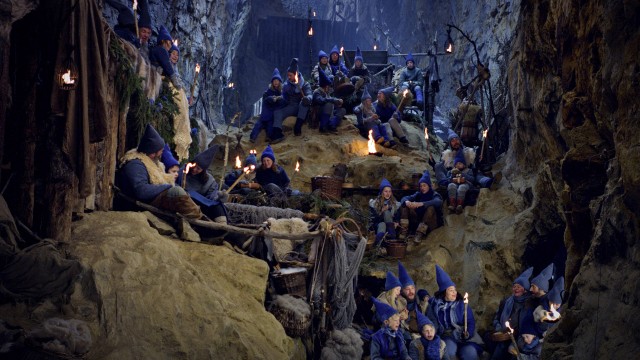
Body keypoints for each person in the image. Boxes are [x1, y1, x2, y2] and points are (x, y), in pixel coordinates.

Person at [116, 124, 202, 219]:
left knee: (182, 192)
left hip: (154, 198)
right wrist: (167, 186)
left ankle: (198, 216)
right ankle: (198, 221)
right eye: (160, 151)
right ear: (153, 154)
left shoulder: (153, 162)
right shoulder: (135, 165)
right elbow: (141, 191)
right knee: (176, 191)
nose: (162, 153)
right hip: (143, 203)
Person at [427, 265, 483, 360]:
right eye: (451, 290)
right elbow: (432, 323)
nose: (454, 293)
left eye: (455, 290)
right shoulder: (434, 305)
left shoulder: (461, 304)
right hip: (446, 336)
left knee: (470, 353)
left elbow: (470, 321)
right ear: (444, 292)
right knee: (449, 350)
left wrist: (468, 333)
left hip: (463, 336)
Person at [489, 267, 533, 360]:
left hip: (521, 338)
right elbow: (497, 317)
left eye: (519, 287)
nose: (515, 289)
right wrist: (499, 328)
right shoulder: (506, 301)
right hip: (504, 335)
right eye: (514, 286)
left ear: (525, 290)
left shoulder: (529, 304)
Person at [181, 145, 228, 223]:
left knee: (218, 207)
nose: (194, 169)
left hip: (200, 208)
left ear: (203, 170)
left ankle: (222, 227)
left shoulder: (210, 181)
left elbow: (211, 200)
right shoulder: (183, 171)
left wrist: (220, 198)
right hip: (184, 205)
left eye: (198, 169)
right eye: (194, 166)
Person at [272, 58, 312, 142]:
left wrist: (307, 98)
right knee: (278, 112)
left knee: (303, 103)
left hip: (302, 108)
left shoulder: (305, 84)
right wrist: (280, 98)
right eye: (288, 75)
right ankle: (277, 133)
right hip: (292, 106)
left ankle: (298, 126)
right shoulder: (287, 86)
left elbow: (310, 95)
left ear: (295, 74)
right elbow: (285, 97)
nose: (288, 77)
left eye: (290, 75)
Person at [399, 171, 443, 243]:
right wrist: (407, 202)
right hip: (418, 221)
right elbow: (404, 198)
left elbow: (438, 202)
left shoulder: (434, 194)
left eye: (424, 185)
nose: (422, 188)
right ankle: (403, 230)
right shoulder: (418, 194)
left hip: (430, 223)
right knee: (405, 205)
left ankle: (419, 234)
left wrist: (422, 203)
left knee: (430, 208)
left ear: (429, 186)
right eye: (421, 186)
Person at [250, 68, 286, 143]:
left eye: (277, 80)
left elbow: (282, 102)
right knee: (258, 125)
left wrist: (279, 99)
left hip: (272, 115)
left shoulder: (281, 92)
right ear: (272, 82)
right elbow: (266, 99)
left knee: (270, 128)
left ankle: (269, 137)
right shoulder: (267, 92)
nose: (276, 82)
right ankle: (252, 138)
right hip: (265, 114)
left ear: (280, 82)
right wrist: (272, 99)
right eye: (274, 80)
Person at [399, 261, 430, 338]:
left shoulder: (418, 300)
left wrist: (424, 294)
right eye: (407, 289)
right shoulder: (398, 303)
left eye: (412, 288)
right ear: (402, 290)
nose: (411, 291)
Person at [369, 178, 402, 246]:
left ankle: (388, 244)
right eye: (386, 191)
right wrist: (382, 211)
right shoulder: (375, 203)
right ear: (382, 192)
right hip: (378, 225)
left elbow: (397, 215)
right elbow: (373, 220)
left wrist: (396, 222)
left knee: (387, 214)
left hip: (391, 226)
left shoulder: (394, 203)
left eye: (389, 191)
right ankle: (380, 245)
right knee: (382, 224)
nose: (388, 194)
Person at [149, 25, 183, 89]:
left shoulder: (156, 49)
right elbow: (167, 64)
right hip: (154, 75)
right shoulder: (162, 50)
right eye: (169, 43)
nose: (170, 46)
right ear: (163, 41)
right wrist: (175, 80)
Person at [313, 68, 345, 134]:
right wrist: (333, 100)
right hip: (319, 113)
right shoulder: (317, 92)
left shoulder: (327, 92)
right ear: (325, 86)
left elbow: (331, 99)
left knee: (342, 110)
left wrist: (337, 102)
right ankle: (323, 127)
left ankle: (331, 125)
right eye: (328, 86)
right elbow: (321, 100)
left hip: (329, 113)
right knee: (328, 104)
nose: (329, 88)